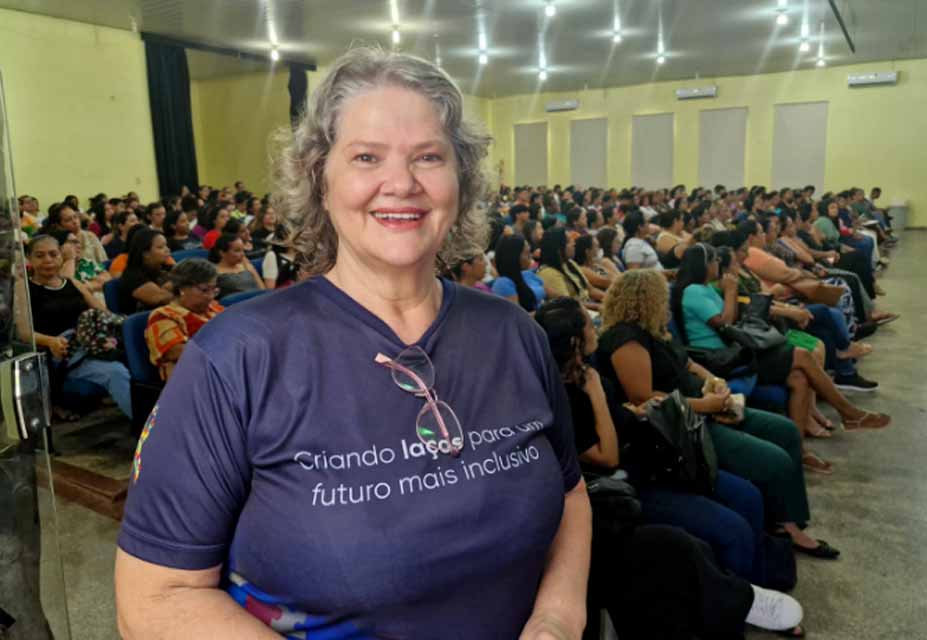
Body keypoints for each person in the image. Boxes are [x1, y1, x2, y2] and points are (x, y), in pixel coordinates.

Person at [117, 46, 589, 640]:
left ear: (461, 179)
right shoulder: (235, 357)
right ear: (319, 176)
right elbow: (154, 600)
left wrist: (555, 620)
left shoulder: (512, 332)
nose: (402, 183)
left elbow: (571, 496)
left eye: (429, 157)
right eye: (367, 156)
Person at [535, 298, 804, 637]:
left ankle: (755, 594)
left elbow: (623, 414)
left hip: (655, 457)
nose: (596, 326)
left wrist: (638, 409)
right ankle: (732, 616)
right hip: (627, 484)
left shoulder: (587, 371)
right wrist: (598, 397)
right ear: (574, 340)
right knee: (728, 531)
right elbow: (607, 456)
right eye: (588, 325)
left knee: (747, 496)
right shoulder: (563, 395)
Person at [597, 268, 839, 557]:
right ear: (647, 300)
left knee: (785, 432)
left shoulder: (654, 331)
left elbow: (688, 365)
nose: (666, 304)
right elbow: (645, 398)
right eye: (662, 298)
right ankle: (786, 528)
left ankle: (786, 520)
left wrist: (714, 381)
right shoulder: (626, 339)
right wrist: (708, 405)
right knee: (775, 462)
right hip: (683, 425)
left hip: (706, 404)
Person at [673, 244, 891, 471]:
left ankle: (798, 452)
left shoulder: (705, 288)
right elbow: (725, 324)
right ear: (704, 265)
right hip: (720, 360)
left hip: (735, 351)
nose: (718, 265)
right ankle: (849, 414)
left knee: (799, 378)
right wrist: (730, 291)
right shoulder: (693, 291)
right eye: (714, 260)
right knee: (802, 356)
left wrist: (731, 293)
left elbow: (734, 319)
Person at [18, 235, 132, 419]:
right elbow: (23, 333)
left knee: (140, 356)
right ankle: (153, 435)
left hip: (92, 345)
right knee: (116, 373)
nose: (47, 260)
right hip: (62, 354)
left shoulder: (72, 283)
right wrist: (50, 341)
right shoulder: (24, 288)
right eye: (40, 255)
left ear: (61, 257)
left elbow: (104, 314)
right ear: (29, 259)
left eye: (53, 254)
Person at [145, 259, 224, 381]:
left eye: (214, 289)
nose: (211, 296)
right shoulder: (163, 316)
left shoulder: (214, 308)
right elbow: (177, 351)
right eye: (204, 290)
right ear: (182, 289)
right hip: (193, 380)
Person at [537, 227, 604, 310]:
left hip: (589, 306)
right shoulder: (548, 273)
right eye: (569, 241)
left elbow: (591, 290)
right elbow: (569, 305)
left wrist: (610, 300)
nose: (574, 243)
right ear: (558, 250)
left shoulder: (570, 263)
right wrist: (599, 307)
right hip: (578, 313)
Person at [118, 229, 174, 315]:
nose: (167, 250)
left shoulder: (164, 267)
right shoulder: (132, 276)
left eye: (166, 245)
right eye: (160, 247)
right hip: (144, 322)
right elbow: (161, 298)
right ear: (145, 253)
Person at [491, 235, 545, 312]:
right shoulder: (503, 283)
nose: (531, 256)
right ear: (514, 257)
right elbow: (517, 319)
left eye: (530, 252)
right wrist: (545, 313)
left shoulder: (527, 274)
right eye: (527, 253)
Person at [208, 233, 265, 299]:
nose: (243, 254)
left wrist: (253, 271)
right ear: (222, 253)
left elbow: (263, 291)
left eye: (243, 250)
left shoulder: (246, 266)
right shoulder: (214, 272)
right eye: (237, 251)